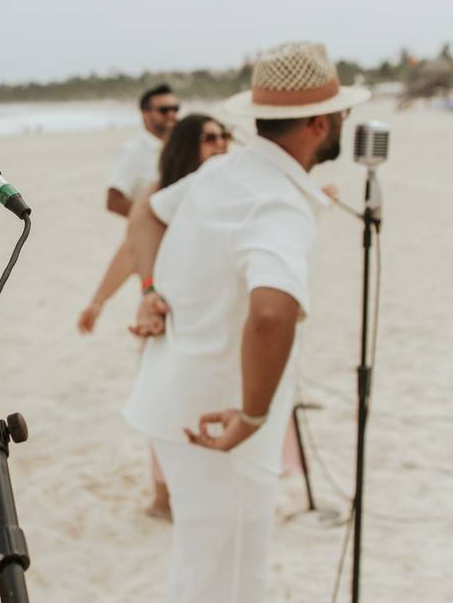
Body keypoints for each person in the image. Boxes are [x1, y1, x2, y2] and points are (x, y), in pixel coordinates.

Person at [124, 41, 369, 602]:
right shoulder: (276, 201)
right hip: (218, 424)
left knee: (201, 566)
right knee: (226, 582)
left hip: (177, 402)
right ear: (318, 121)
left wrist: (150, 289)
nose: (344, 121)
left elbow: (147, 210)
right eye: (341, 112)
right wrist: (254, 417)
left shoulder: (227, 170)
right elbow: (271, 310)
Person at [80, 114, 231, 520]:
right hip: (162, 312)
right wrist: (99, 301)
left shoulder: (224, 193)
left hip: (209, 315)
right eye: (210, 138)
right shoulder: (159, 195)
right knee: (166, 405)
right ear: (187, 145)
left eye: (225, 136)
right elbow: (130, 251)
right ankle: (163, 498)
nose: (221, 144)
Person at [106, 84, 181, 217]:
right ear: (145, 113)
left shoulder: (179, 147)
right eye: (164, 110)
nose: (171, 114)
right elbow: (114, 201)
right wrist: (151, 221)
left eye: (175, 109)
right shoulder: (133, 151)